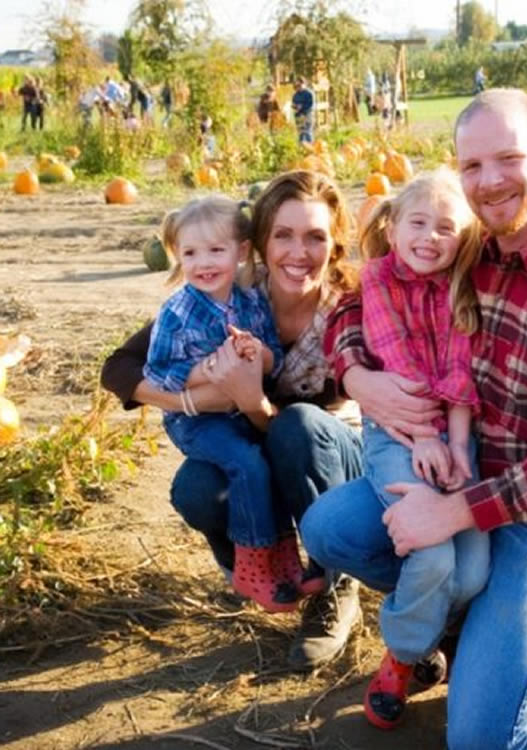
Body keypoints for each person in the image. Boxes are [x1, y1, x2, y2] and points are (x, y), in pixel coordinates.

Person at [301, 88, 527, 748]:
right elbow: (351, 308)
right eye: (471, 166)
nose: (488, 181)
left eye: (508, 158)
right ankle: (477, 607)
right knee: (330, 528)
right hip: (461, 470)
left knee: (479, 738)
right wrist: (362, 376)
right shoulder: (465, 249)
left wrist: (451, 512)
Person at [100, 170, 366, 670]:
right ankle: (249, 563)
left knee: (298, 426)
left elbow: (299, 430)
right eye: (282, 235)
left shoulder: (347, 310)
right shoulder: (234, 291)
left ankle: (335, 585)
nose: (298, 252)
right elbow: (119, 367)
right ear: (258, 244)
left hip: (335, 463)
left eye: (315, 237)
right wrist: (189, 401)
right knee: (196, 487)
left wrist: (251, 402)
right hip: (257, 442)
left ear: (336, 244)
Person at [355, 170, 489, 730]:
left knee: (473, 573)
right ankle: (402, 656)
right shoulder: (379, 279)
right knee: (432, 556)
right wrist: (428, 437)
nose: (429, 237)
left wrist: (458, 448)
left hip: (454, 435)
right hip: (397, 431)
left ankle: (432, 635)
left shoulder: (461, 285)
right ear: (391, 225)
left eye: (445, 227)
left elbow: (460, 370)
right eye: (418, 222)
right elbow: (399, 364)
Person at [144, 195, 306, 612]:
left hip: (241, 413)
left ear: (242, 251)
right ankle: (251, 561)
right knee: (246, 464)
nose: (203, 263)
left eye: (216, 250)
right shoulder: (177, 312)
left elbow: (275, 355)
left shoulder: (251, 302)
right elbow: (157, 369)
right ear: (177, 256)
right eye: (190, 253)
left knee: (265, 464)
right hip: (195, 422)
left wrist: (258, 353)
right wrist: (205, 370)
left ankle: (282, 553)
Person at [292, 76, 315, 144]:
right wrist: (295, 106)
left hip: (307, 114)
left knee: (307, 132)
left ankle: (311, 148)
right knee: (300, 134)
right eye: (296, 86)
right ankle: (301, 149)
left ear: (304, 84)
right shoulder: (295, 95)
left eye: (299, 85)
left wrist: (302, 107)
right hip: (298, 116)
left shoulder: (309, 93)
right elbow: (293, 104)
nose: (298, 87)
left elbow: (310, 105)